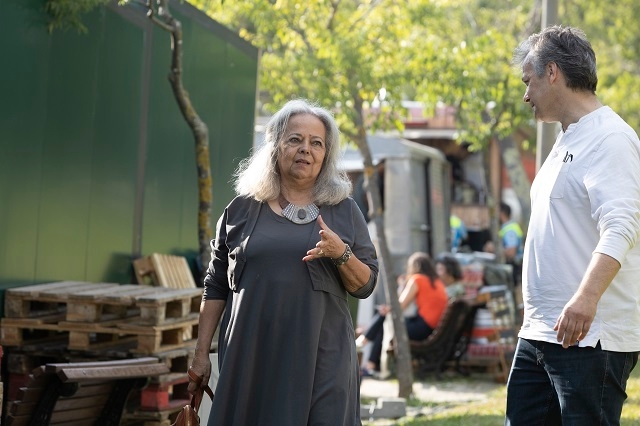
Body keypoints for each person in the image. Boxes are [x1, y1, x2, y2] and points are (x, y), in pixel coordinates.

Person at [186, 99, 379, 426]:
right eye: (295, 139)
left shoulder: (344, 211)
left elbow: (366, 284)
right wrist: (202, 354)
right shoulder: (242, 210)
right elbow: (215, 285)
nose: (306, 149)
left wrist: (341, 253)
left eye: (316, 143)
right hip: (252, 355)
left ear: (326, 154)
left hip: (322, 359)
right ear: (275, 146)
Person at [507, 25, 640, 425]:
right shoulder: (565, 140)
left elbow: (621, 226)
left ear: (552, 72)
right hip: (540, 333)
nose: (526, 94)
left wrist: (585, 298)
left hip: (589, 336)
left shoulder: (611, 138)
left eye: (529, 81)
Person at [356, 252, 448, 375]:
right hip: (431, 327)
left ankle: (364, 345)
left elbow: (399, 306)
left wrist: (400, 287)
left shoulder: (417, 279)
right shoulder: (436, 282)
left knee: (384, 319)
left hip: (423, 327)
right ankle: (369, 359)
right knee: (384, 319)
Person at [498, 202, 523, 286]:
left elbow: (512, 252)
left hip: (513, 267)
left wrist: (495, 250)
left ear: (502, 213)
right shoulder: (510, 226)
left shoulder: (509, 230)